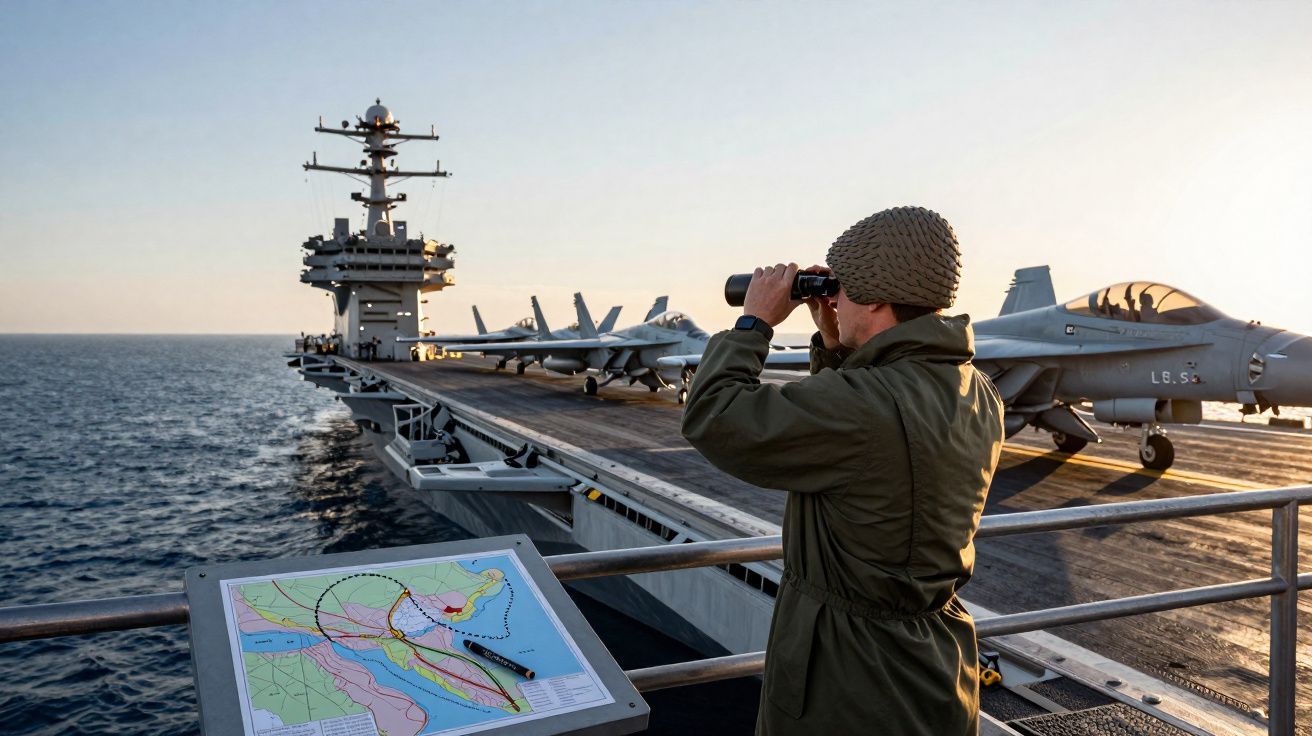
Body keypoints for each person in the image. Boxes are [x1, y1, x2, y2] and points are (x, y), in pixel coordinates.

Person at [681, 206, 1003, 735]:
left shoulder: (865, 404)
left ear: (875, 298)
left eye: (842, 289)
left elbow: (713, 416)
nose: (831, 299)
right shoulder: (974, 389)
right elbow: (866, 446)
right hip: (933, 667)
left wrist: (754, 322)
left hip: (848, 679)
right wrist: (835, 345)